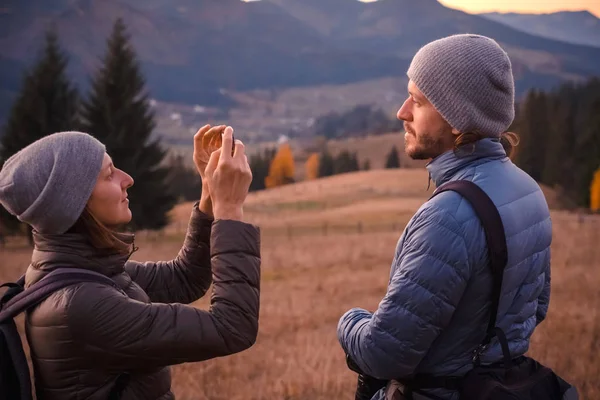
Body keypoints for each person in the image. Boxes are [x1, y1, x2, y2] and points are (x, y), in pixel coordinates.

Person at [337, 34, 552, 399]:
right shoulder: (528, 190)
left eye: (418, 101)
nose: (402, 112)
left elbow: (383, 354)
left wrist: (349, 321)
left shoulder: (448, 217)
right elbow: (535, 308)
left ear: (457, 119)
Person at [0, 126, 260, 400]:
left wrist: (209, 192)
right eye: (109, 175)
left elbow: (184, 278)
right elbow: (232, 327)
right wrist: (229, 210)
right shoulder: (81, 304)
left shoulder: (84, 273)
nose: (128, 179)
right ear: (75, 204)